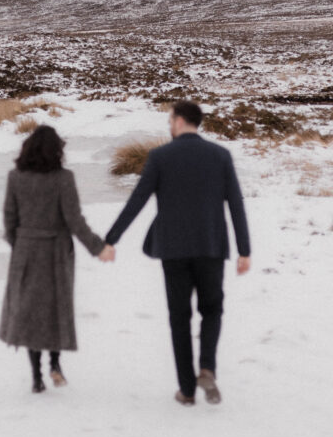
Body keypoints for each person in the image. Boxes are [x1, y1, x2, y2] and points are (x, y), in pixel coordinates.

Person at [103, 100, 251, 406]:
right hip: (211, 246)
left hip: (173, 250)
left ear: (181, 121)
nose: (169, 125)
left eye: (170, 120)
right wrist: (244, 250)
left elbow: (138, 200)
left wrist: (111, 239)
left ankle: (186, 389)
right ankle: (207, 367)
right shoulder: (220, 156)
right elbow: (235, 203)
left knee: (179, 317)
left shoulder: (160, 156)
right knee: (212, 310)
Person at [0, 125, 115, 393]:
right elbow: (74, 220)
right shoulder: (64, 178)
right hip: (56, 252)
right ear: (57, 151)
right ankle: (55, 365)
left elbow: (9, 220)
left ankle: (37, 376)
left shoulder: (16, 177)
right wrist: (98, 247)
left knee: (28, 313)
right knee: (55, 309)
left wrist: (21, 246)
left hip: (26, 253)